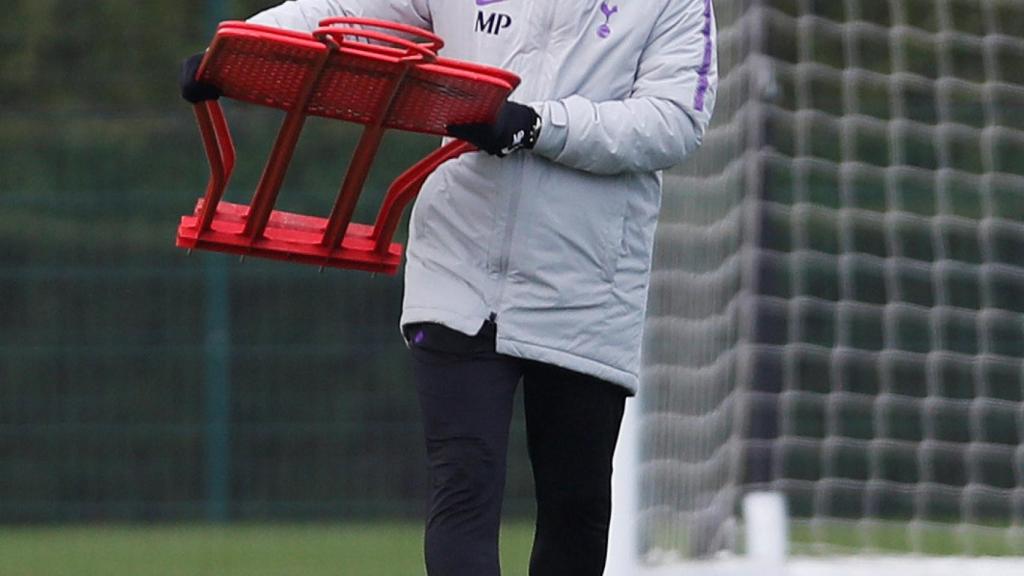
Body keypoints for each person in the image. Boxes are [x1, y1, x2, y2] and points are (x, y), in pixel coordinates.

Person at [180, 1, 717, 574]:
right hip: (458, 262)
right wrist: (235, 48)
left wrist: (537, 125)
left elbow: (674, 120)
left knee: (575, 506)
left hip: (588, 279)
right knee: (462, 482)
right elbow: (343, 14)